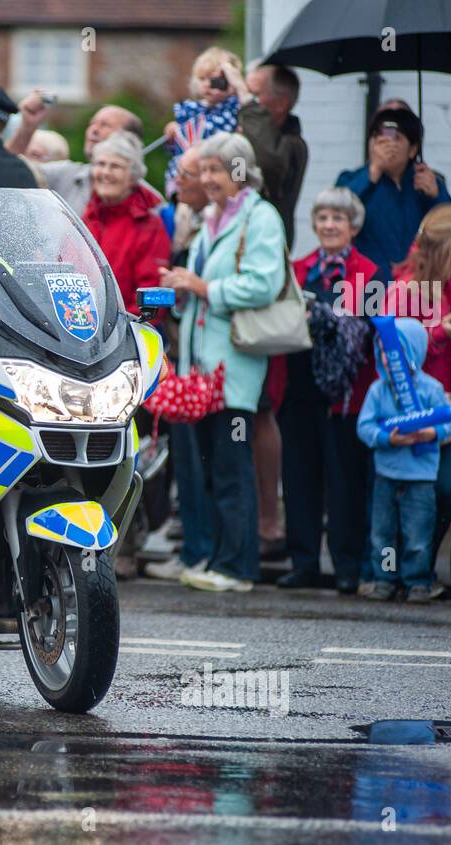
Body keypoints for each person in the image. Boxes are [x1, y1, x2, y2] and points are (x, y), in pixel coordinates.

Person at [158, 132, 286, 593]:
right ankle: (215, 559)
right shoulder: (210, 219)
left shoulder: (261, 216)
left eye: (216, 169)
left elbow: (263, 284)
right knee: (210, 468)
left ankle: (238, 567)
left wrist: (202, 287)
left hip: (233, 366)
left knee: (232, 469)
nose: (208, 179)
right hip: (201, 366)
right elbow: (195, 296)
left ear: (239, 171)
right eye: (204, 170)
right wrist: (178, 292)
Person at [278, 188, 380, 592]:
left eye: (338, 218)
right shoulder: (297, 270)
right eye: (322, 218)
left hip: (346, 397)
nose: (329, 225)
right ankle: (303, 563)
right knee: (300, 480)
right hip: (298, 388)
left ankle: (347, 566)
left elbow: (367, 331)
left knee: (344, 482)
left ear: (353, 226)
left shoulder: (369, 272)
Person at [389, 203, 451, 566]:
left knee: (446, 492)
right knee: (410, 494)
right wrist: (439, 333)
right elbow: (393, 351)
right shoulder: (408, 288)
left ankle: (420, 570)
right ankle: (397, 572)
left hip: (444, 410)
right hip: (410, 410)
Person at [145, 146, 213, 583]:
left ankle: (209, 553)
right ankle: (194, 551)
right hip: (187, 354)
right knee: (185, 458)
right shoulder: (192, 223)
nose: (176, 184)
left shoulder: (221, 225)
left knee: (209, 462)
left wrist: (187, 282)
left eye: (185, 175)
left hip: (211, 363)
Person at [356, 319, 451, 602]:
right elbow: (365, 427)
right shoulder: (377, 390)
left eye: (394, 351)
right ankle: (385, 579)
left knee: (418, 534)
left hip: (421, 477)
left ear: (413, 351)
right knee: (383, 533)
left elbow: (448, 424)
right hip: (386, 474)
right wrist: (388, 439)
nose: (387, 358)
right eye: (383, 350)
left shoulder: (432, 389)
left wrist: (431, 432)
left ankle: (417, 582)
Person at [336, 106, 450, 282]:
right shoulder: (351, 179)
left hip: (418, 285)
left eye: (395, 139)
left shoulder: (427, 181)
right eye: (378, 138)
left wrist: (436, 196)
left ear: (412, 149)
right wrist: (372, 173)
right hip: (366, 285)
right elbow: (337, 212)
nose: (386, 145)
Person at [10, 95, 148, 215]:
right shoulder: (66, 174)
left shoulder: (149, 201)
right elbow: (9, 170)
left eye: (105, 125)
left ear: (130, 140)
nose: (93, 130)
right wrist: (27, 126)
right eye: (92, 124)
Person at [82, 131, 170, 313]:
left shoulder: (148, 226)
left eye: (115, 166)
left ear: (133, 176)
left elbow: (152, 295)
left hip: (124, 333)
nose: (105, 172)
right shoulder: (85, 218)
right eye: (100, 164)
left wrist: (121, 331)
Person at [226, 62, 307, 247]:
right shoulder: (248, 137)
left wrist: (247, 104)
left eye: (253, 95)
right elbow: (237, 184)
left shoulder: (293, 146)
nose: (246, 102)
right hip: (237, 239)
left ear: (280, 104)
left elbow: (268, 164)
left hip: (266, 244)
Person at [162, 47, 243, 196]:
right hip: (184, 180)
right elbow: (177, 151)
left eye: (215, 80)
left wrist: (239, 184)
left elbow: (240, 159)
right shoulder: (188, 110)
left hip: (219, 181)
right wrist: (172, 136)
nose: (207, 84)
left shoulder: (236, 109)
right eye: (202, 79)